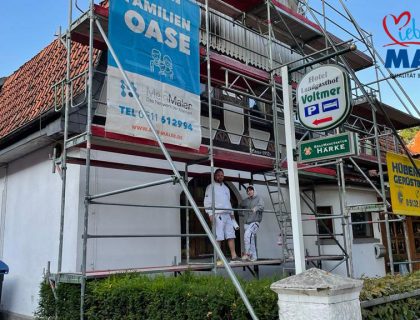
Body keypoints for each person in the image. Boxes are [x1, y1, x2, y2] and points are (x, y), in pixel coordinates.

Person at [204, 168, 240, 262]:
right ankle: (218, 258)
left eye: (222, 175)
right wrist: (210, 214)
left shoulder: (226, 188)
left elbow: (229, 202)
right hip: (217, 214)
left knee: (231, 235)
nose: (220, 177)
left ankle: (234, 256)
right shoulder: (210, 187)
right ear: (215, 176)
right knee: (218, 236)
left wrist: (232, 214)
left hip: (228, 214)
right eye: (218, 175)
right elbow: (207, 202)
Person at [240, 185, 264, 262]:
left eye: (251, 190)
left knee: (247, 235)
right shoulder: (246, 200)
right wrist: (241, 213)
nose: (249, 192)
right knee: (251, 239)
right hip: (247, 223)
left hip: (255, 222)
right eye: (248, 190)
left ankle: (247, 253)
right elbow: (239, 206)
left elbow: (262, 206)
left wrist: (256, 208)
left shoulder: (259, 198)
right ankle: (254, 257)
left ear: (254, 191)